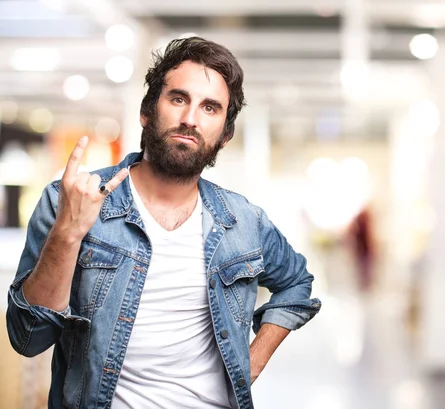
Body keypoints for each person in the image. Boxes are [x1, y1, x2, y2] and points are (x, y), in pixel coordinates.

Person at [6, 37, 321, 409]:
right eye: (178, 99)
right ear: (146, 111)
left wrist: (253, 360)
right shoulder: (68, 201)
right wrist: (68, 234)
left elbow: (297, 285)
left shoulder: (243, 221)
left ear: (225, 134)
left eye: (210, 108)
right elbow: (29, 338)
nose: (190, 119)